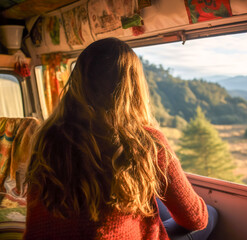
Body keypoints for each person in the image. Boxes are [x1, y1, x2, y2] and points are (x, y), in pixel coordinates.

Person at [23, 38, 217, 240]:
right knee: (211, 215)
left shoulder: (48, 136)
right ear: (132, 86)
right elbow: (195, 219)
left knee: (154, 203)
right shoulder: (146, 141)